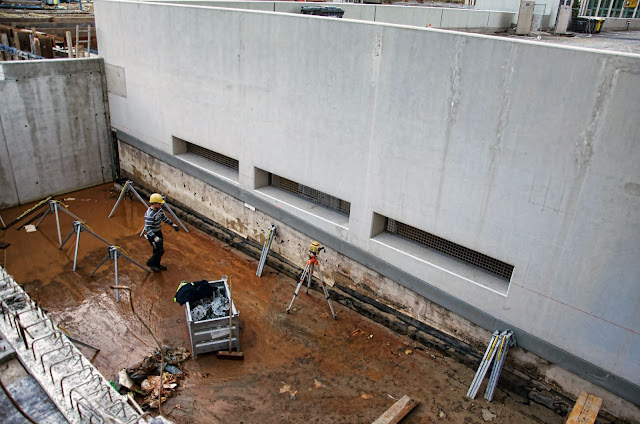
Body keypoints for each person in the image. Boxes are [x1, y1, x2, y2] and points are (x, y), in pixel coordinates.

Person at [144, 193, 179, 271]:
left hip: (158, 232)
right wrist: (154, 237)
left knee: (158, 250)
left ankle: (157, 264)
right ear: (154, 204)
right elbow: (147, 228)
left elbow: (164, 218)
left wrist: (172, 224)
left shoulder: (159, 210)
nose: (161, 205)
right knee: (159, 250)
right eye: (159, 203)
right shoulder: (149, 215)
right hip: (152, 235)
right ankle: (151, 263)